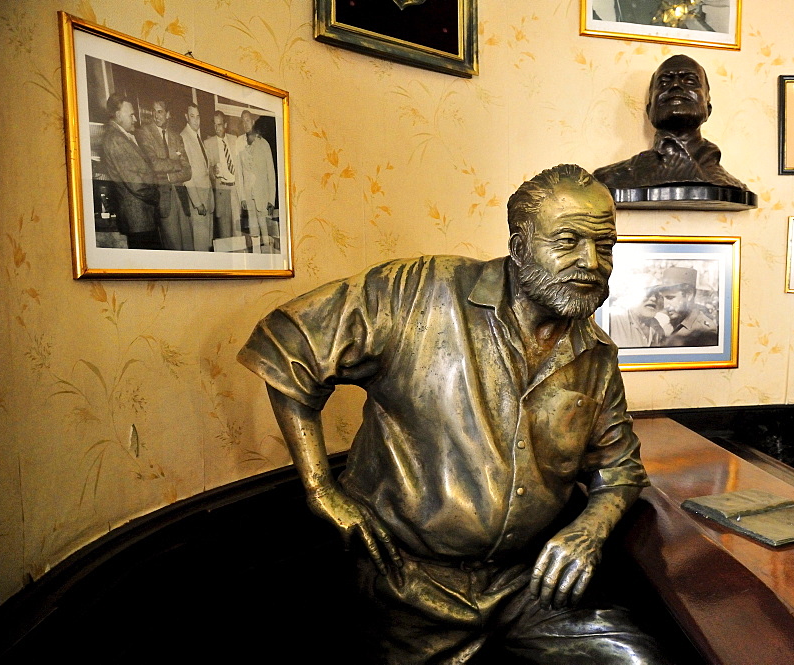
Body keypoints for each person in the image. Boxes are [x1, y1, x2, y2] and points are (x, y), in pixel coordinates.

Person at [238, 164, 665, 664]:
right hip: (407, 584)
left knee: (641, 659)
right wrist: (318, 489)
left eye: (606, 246)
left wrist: (589, 530)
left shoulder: (595, 355)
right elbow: (286, 345)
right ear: (520, 244)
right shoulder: (418, 290)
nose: (591, 262)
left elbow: (620, 471)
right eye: (567, 241)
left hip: (528, 584)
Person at [594, 55, 747, 192]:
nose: (675, 86)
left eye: (690, 81)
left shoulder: (729, 184)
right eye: (664, 82)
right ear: (649, 110)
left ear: (708, 108)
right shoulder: (611, 178)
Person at [99, 93, 160, 250]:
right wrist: (156, 195)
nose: (135, 119)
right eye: (131, 115)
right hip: (138, 220)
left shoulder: (122, 136)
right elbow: (136, 183)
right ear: (118, 115)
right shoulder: (116, 139)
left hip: (141, 219)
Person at [136, 99, 192, 251]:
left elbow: (188, 171)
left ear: (168, 114)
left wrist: (170, 177)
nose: (156, 115)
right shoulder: (144, 133)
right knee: (172, 247)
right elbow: (154, 164)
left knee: (188, 247)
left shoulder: (176, 137)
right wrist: (176, 164)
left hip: (181, 197)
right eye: (153, 111)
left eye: (160, 111)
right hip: (163, 199)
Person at [239, 110, 276, 253]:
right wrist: (243, 196)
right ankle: (256, 256)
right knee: (253, 229)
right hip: (249, 197)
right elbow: (241, 174)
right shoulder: (241, 145)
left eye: (247, 120)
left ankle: (268, 258)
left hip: (263, 197)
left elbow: (270, 173)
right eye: (243, 121)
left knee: (265, 229)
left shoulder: (264, 144)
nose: (245, 124)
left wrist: (271, 200)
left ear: (253, 122)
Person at [180, 103, 215, 252]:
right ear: (186, 117)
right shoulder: (184, 137)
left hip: (207, 196)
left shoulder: (197, 137)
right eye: (192, 116)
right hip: (198, 200)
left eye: (198, 116)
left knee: (207, 242)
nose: (196, 120)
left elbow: (204, 167)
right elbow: (187, 175)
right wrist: (197, 202)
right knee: (200, 244)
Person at [204, 110, 243, 242]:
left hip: (235, 189)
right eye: (215, 125)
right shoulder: (208, 143)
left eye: (219, 125)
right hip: (222, 191)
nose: (217, 128)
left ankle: (239, 260)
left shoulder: (234, 140)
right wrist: (213, 171)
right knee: (225, 234)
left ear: (225, 125)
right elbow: (207, 170)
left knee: (238, 230)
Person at [657, 266, 718, 348]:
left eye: (670, 298)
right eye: (663, 298)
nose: (666, 305)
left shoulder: (704, 331)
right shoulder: (668, 325)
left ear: (689, 294)